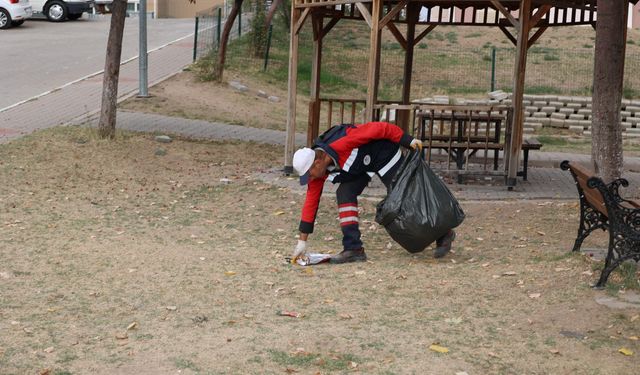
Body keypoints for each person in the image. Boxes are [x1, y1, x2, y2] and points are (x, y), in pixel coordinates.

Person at [291, 121, 456, 263]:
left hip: (382, 154)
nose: (310, 178)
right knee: (344, 194)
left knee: (405, 198)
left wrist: (407, 140)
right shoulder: (318, 173)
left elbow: (380, 128)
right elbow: (311, 202)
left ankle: (444, 234)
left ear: (318, 162)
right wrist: (302, 242)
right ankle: (353, 249)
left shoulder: (343, 141)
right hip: (359, 168)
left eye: (309, 174)